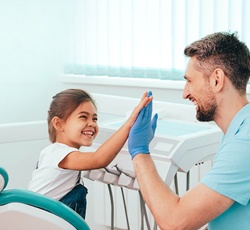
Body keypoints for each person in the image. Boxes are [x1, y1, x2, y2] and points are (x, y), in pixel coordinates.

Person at [128, 32, 250, 230]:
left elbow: (175, 221)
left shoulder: (245, 142)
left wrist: (139, 151)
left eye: (190, 81)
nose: (185, 93)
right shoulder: (238, 129)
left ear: (217, 79)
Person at [28, 88, 152, 219]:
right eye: (83, 117)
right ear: (58, 124)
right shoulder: (58, 153)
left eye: (95, 119)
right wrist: (129, 123)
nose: (91, 123)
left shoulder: (57, 152)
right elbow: (98, 159)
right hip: (34, 221)